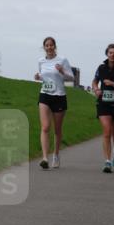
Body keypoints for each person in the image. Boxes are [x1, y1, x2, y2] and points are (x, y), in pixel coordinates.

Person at [34, 37, 73, 169]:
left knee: (57, 129)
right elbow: (44, 76)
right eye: (47, 45)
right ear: (44, 47)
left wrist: (62, 71)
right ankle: (45, 158)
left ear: (55, 46)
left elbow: (71, 78)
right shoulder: (41, 61)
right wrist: (38, 77)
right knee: (45, 127)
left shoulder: (62, 60)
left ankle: (56, 155)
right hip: (45, 94)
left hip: (59, 96)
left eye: (51, 45)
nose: (49, 47)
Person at [91, 43, 114, 174]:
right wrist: (96, 89)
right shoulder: (101, 68)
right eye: (110, 52)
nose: (112, 55)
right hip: (104, 103)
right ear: (107, 53)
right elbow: (95, 81)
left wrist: (113, 84)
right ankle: (107, 161)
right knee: (106, 132)